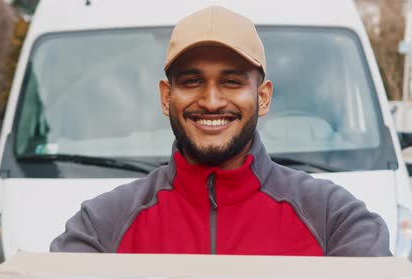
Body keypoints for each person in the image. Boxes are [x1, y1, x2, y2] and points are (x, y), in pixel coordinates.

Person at [50, 6, 391, 256]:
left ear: (263, 96)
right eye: (192, 81)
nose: (211, 101)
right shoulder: (100, 228)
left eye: (231, 81)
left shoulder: (336, 220)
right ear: (167, 97)